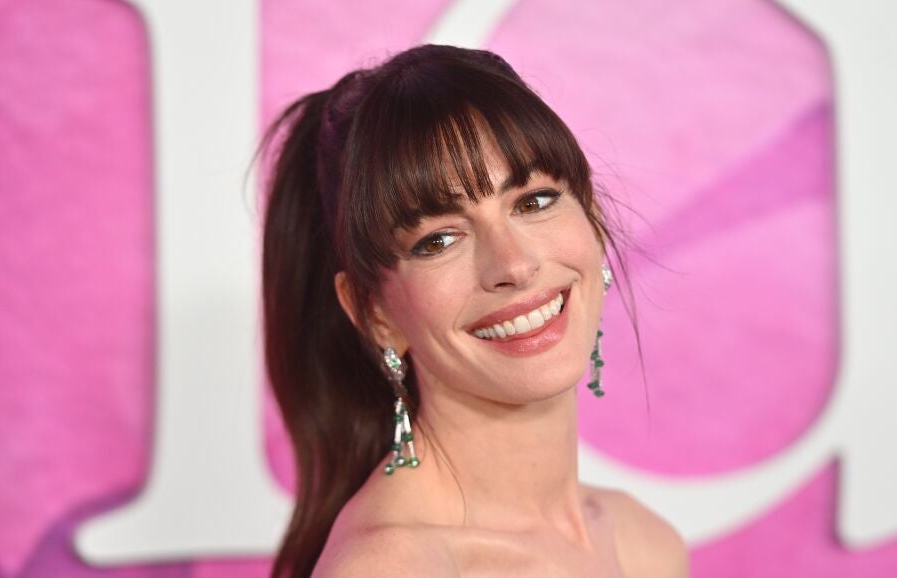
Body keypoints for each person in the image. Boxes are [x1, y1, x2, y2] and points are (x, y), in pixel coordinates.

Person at [260, 44, 687, 578]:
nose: (514, 265)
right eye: (438, 240)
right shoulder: (390, 567)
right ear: (375, 314)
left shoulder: (644, 543)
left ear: (593, 221)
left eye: (533, 201)